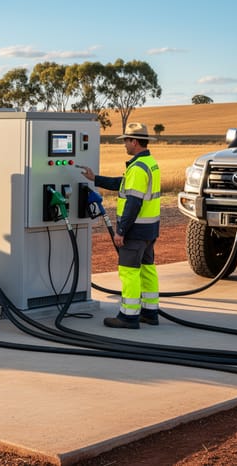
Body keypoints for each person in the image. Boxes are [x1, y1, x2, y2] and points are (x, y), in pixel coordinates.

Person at [79, 122, 161, 329]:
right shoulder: (150, 163)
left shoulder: (138, 168)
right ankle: (150, 312)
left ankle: (128, 316)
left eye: (126, 141)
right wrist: (95, 178)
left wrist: (121, 231)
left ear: (134, 141)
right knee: (147, 269)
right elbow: (121, 184)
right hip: (150, 229)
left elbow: (133, 203)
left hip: (135, 231)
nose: (124, 144)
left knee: (129, 271)